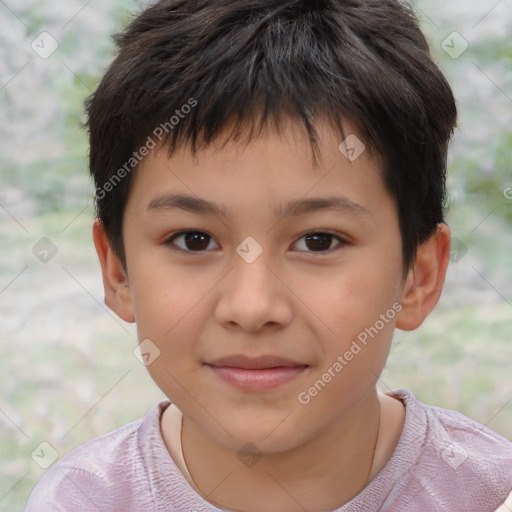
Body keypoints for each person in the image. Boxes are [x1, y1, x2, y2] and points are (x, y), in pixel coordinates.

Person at [25, 0, 512, 510]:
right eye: (194, 240)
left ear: (418, 276)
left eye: (318, 241)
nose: (252, 308)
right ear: (118, 270)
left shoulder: (489, 495)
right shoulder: (78, 501)